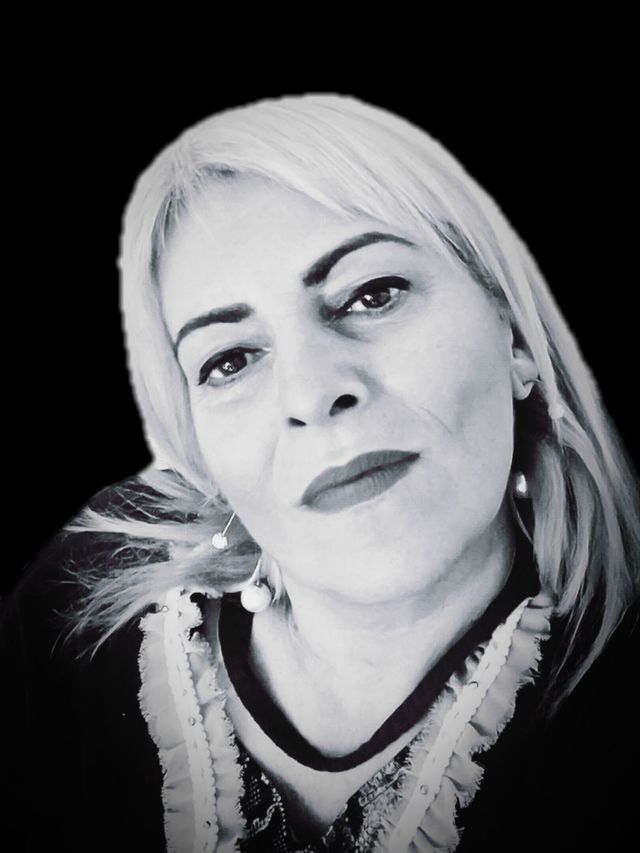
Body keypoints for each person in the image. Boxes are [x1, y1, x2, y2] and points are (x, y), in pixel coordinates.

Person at [2, 93, 638, 853]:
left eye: (372, 295)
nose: (310, 394)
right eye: (230, 359)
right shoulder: (73, 611)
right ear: (200, 449)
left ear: (515, 340)